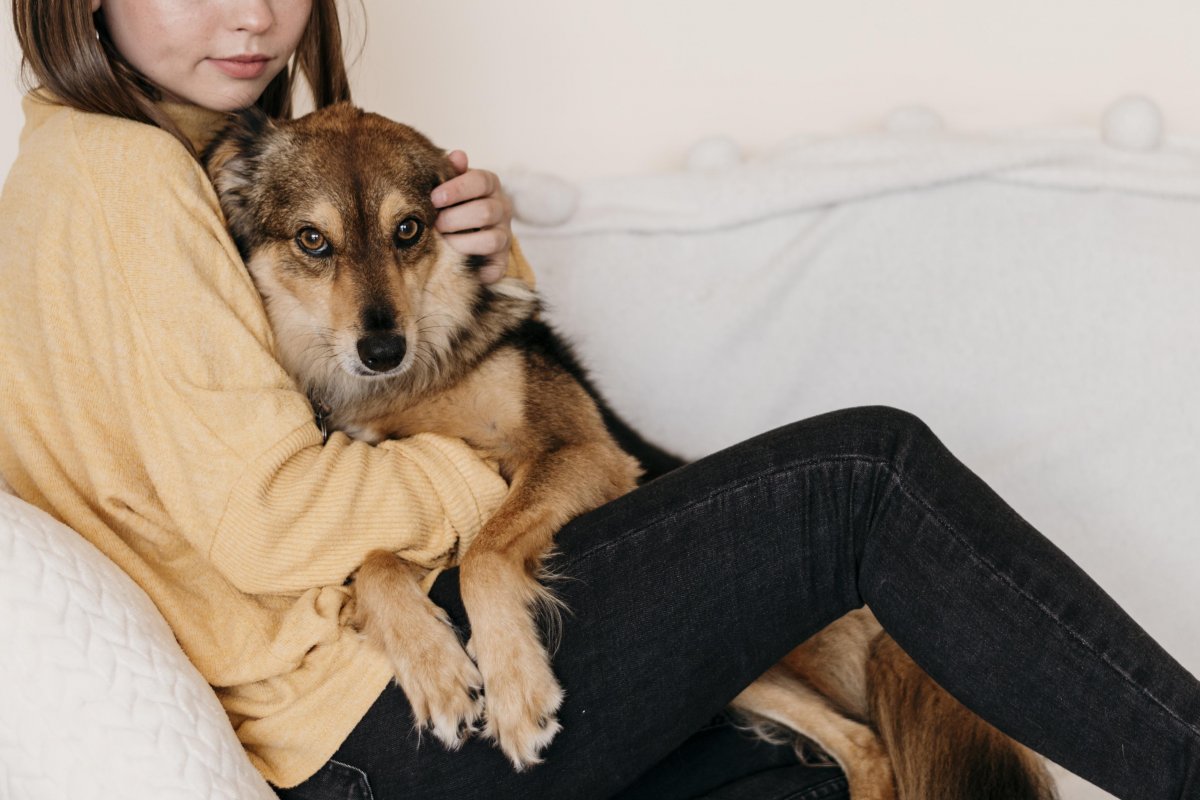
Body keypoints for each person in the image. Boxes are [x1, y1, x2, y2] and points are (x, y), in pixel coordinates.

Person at [1, 2, 1197, 799]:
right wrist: (497, 454)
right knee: (863, 479)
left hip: (370, 721)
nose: (253, 14)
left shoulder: (136, 160)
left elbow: (345, 385)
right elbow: (273, 514)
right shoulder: (126, 177)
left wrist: (482, 271)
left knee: (817, 773)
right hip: (375, 716)